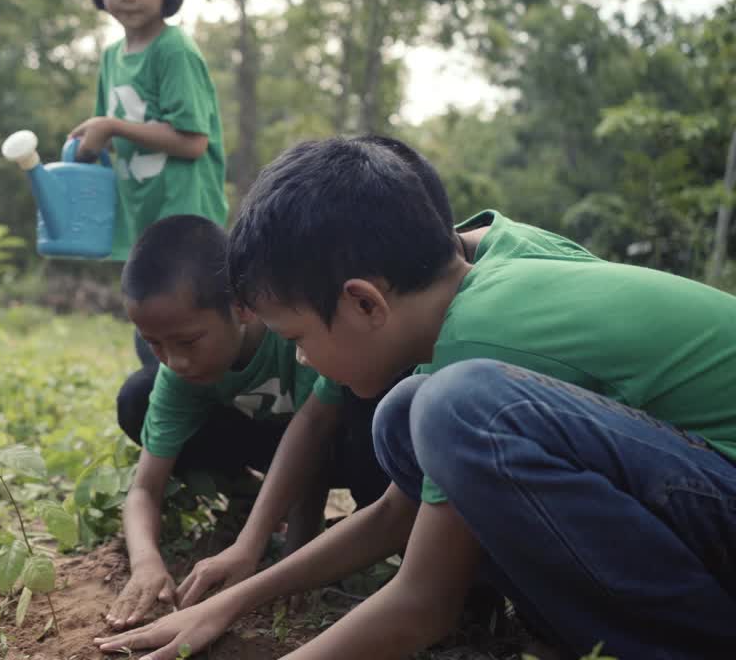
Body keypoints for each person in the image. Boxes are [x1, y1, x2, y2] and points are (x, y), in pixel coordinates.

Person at [95, 136, 736, 660]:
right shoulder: (481, 266)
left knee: (450, 406)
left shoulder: (480, 336)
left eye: (297, 337)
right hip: (696, 484)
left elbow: (419, 605)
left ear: (364, 302)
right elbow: (399, 515)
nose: (300, 359)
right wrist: (234, 600)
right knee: (407, 417)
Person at [109, 214, 390, 631]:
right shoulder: (178, 371)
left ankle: (354, 533)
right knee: (137, 397)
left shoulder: (298, 332)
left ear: (240, 306)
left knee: (368, 418)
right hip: (271, 442)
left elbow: (314, 432)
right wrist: (146, 562)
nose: (175, 361)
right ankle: (247, 495)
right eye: (155, 344)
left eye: (188, 341)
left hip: (336, 444)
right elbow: (145, 489)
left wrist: (295, 558)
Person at [70, 0, 228, 266]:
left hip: (185, 222)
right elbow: (112, 137)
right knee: (146, 314)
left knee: (186, 313)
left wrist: (111, 126)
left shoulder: (174, 50)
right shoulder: (111, 57)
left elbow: (193, 142)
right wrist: (88, 143)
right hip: (140, 219)